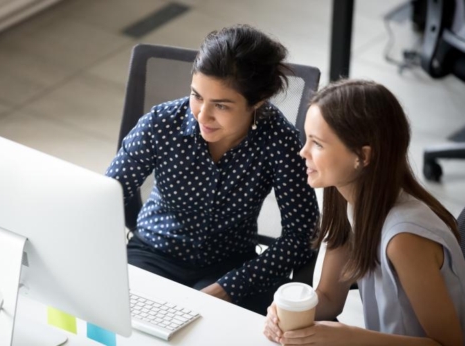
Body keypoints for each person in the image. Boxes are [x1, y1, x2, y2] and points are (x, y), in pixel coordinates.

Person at [105, 24, 319, 314]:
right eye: (197, 96)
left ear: (257, 102)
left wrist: (232, 286)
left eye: (221, 105)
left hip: (230, 266)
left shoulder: (278, 141)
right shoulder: (161, 123)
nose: (202, 115)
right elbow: (106, 196)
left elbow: (302, 234)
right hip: (153, 253)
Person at [264, 79, 465, 345]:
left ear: (363, 156)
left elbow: (449, 343)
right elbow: (329, 299)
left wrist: (351, 337)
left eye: (318, 144)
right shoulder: (346, 198)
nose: (303, 152)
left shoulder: (404, 239)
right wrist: (282, 313)